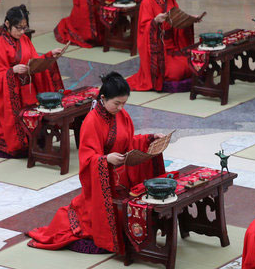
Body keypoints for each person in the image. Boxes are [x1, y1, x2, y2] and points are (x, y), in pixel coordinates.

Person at [28, 72, 166, 254]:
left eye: (123, 103)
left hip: (121, 176)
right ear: (103, 98)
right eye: (117, 103)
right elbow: (87, 158)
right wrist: (105, 159)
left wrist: (149, 139)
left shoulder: (121, 115)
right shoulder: (91, 122)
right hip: (103, 182)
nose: (121, 107)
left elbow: (129, 142)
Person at [0, 5, 65, 158]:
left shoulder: (25, 39)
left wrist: (49, 55)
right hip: (12, 95)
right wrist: (11, 71)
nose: (21, 32)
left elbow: (34, 62)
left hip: (28, 91)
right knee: (9, 133)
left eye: (24, 28)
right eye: (18, 28)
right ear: (7, 24)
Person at [127, 0, 195, 93]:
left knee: (191, 65)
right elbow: (143, 28)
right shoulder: (147, 2)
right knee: (177, 71)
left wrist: (189, 19)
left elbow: (177, 18)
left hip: (173, 46)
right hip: (158, 49)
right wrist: (155, 21)